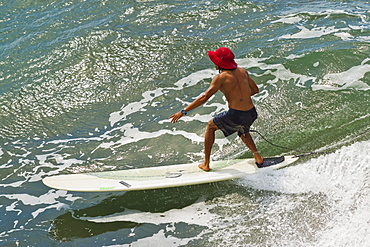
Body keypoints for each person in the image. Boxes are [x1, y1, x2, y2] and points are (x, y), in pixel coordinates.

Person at [169, 47, 264, 171]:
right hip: (251, 113)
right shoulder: (243, 72)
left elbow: (204, 97)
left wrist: (183, 111)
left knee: (211, 126)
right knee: (242, 130)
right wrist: (241, 98)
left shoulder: (221, 77)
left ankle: (206, 164)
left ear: (219, 63)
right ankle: (257, 156)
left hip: (236, 114)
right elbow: (255, 90)